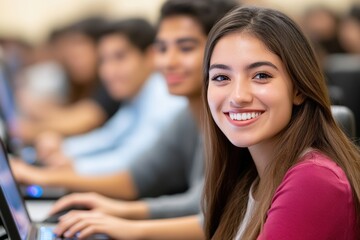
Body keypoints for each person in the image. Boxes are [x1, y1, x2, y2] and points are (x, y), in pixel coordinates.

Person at [12, 0, 237, 239]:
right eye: (161, 49)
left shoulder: (228, 118)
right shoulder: (186, 115)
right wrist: (116, 211)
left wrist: (126, 223)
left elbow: (210, 212)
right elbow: (138, 176)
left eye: (185, 48)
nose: (167, 61)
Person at [203, 6, 360, 239]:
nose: (238, 96)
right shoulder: (249, 179)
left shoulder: (314, 181)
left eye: (261, 75)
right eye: (221, 77)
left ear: (299, 88)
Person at [16, 17, 122, 143]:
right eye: (71, 57)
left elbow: (83, 120)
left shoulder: (109, 81)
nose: (74, 63)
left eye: (80, 56)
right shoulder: (80, 83)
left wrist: (31, 129)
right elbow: (67, 112)